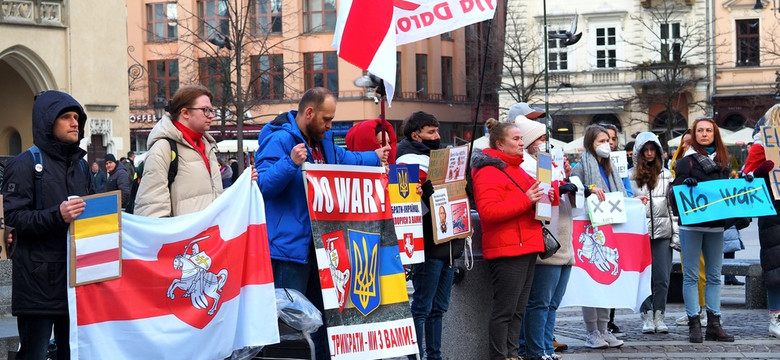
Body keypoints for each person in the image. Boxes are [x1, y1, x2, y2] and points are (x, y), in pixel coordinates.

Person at [254, 87, 388, 360]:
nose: (329, 126)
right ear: (309, 113)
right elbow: (263, 187)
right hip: (289, 251)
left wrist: (376, 157)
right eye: (326, 120)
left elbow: (346, 160)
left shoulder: (323, 142)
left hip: (323, 248)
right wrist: (290, 163)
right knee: (289, 327)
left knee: (325, 320)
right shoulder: (278, 139)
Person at [2, 90, 92, 360]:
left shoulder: (81, 166)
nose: (74, 123)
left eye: (76, 117)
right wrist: (58, 215)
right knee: (35, 353)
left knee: (71, 353)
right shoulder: (25, 163)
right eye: (66, 117)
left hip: (75, 280)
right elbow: (14, 218)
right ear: (47, 122)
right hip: (37, 281)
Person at [471, 119, 545, 360]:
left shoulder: (517, 168)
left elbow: (533, 200)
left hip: (527, 245)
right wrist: (526, 199)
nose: (522, 142)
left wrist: (548, 196)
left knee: (517, 310)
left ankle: (512, 354)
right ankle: (500, 356)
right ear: (500, 144)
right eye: (516, 139)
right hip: (507, 249)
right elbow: (489, 213)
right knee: (505, 310)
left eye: (522, 138)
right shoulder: (488, 172)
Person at [396, 111, 463, 360]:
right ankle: (415, 355)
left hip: (448, 241)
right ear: (416, 135)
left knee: (439, 307)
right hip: (427, 241)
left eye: (437, 131)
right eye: (431, 132)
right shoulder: (408, 160)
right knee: (422, 306)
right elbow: (408, 204)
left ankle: (435, 355)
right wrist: (424, 191)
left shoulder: (438, 156)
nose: (437, 136)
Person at [513, 117, 576, 360]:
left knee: (552, 303)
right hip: (547, 240)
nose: (545, 142)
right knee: (540, 302)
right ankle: (535, 349)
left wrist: (568, 180)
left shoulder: (547, 162)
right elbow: (540, 194)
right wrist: (558, 187)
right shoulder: (529, 166)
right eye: (540, 138)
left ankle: (546, 347)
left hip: (563, 238)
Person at [671, 117, 733, 343]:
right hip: (691, 225)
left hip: (716, 226)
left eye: (709, 130)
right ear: (694, 134)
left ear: (714, 134)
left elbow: (728, 191)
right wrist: (683, 183)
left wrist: (744, 183)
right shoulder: (685, 162)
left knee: (715, 276)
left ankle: (714, 324)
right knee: (691, 275)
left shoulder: (724, 161)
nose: (705, 134)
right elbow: (674, 196)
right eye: (700, 130)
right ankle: (694, 324)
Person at [570, 124, 626, 349]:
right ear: (590, 145)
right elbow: (574, 196)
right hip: (591, 236)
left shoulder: (611, 168)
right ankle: (592, 331)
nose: (607, 145)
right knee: (591, 283)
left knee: (607, 283)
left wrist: (633, 203)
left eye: (609, 140)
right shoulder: (580, 168)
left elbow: (619, 195)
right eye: (601, 141)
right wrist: (587, 189)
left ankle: (604, 329)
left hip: (610, 232)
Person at [134, 85, 224, 217]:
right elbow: (151, 209)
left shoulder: (207, 146)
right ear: (185, 113)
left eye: (211, 110)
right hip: (186, 237)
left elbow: (208, 195)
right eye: (205, 110)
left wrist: (241, 187)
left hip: (211, 234)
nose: (211, 115)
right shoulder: (163, 148)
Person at [629, 132, 677, 334]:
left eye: (652, 150)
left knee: (662, 277)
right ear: (639, 153)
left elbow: (672, 208)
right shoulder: (631, 176)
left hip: (663, 233)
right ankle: (647, 314)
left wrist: (675, 235)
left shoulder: (667, 175)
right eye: (645, 150)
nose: (649, 153)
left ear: (658, 152)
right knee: (643, 277)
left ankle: (660, 314)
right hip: (640, 234)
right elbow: (626, 202)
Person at [740, 104, 780, 337]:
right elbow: (748, 174)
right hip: (773, 211)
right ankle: (776, 316)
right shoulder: (764, 144)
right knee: (775, 266)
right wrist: (760, 172)